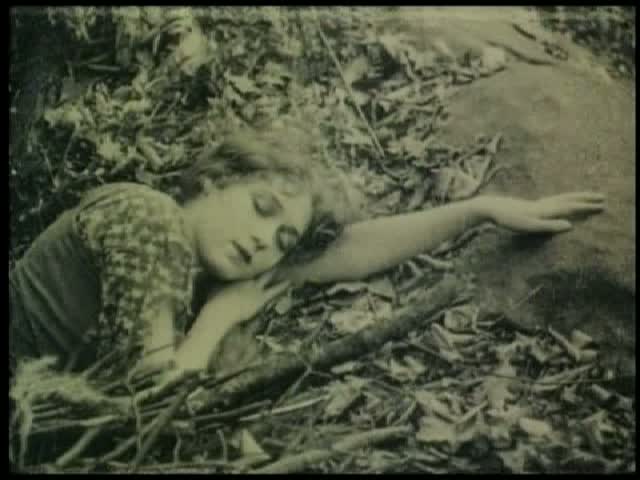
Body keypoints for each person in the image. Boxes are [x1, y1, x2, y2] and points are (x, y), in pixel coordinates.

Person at [9, 124, 606, 381]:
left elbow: (349, 252)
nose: (262, 242)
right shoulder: (151, 218)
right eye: (262, 207)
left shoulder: (199, 262)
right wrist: (216, 321)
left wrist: (477, 209)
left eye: (281, 241)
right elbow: (151, 392)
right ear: (213, 180)